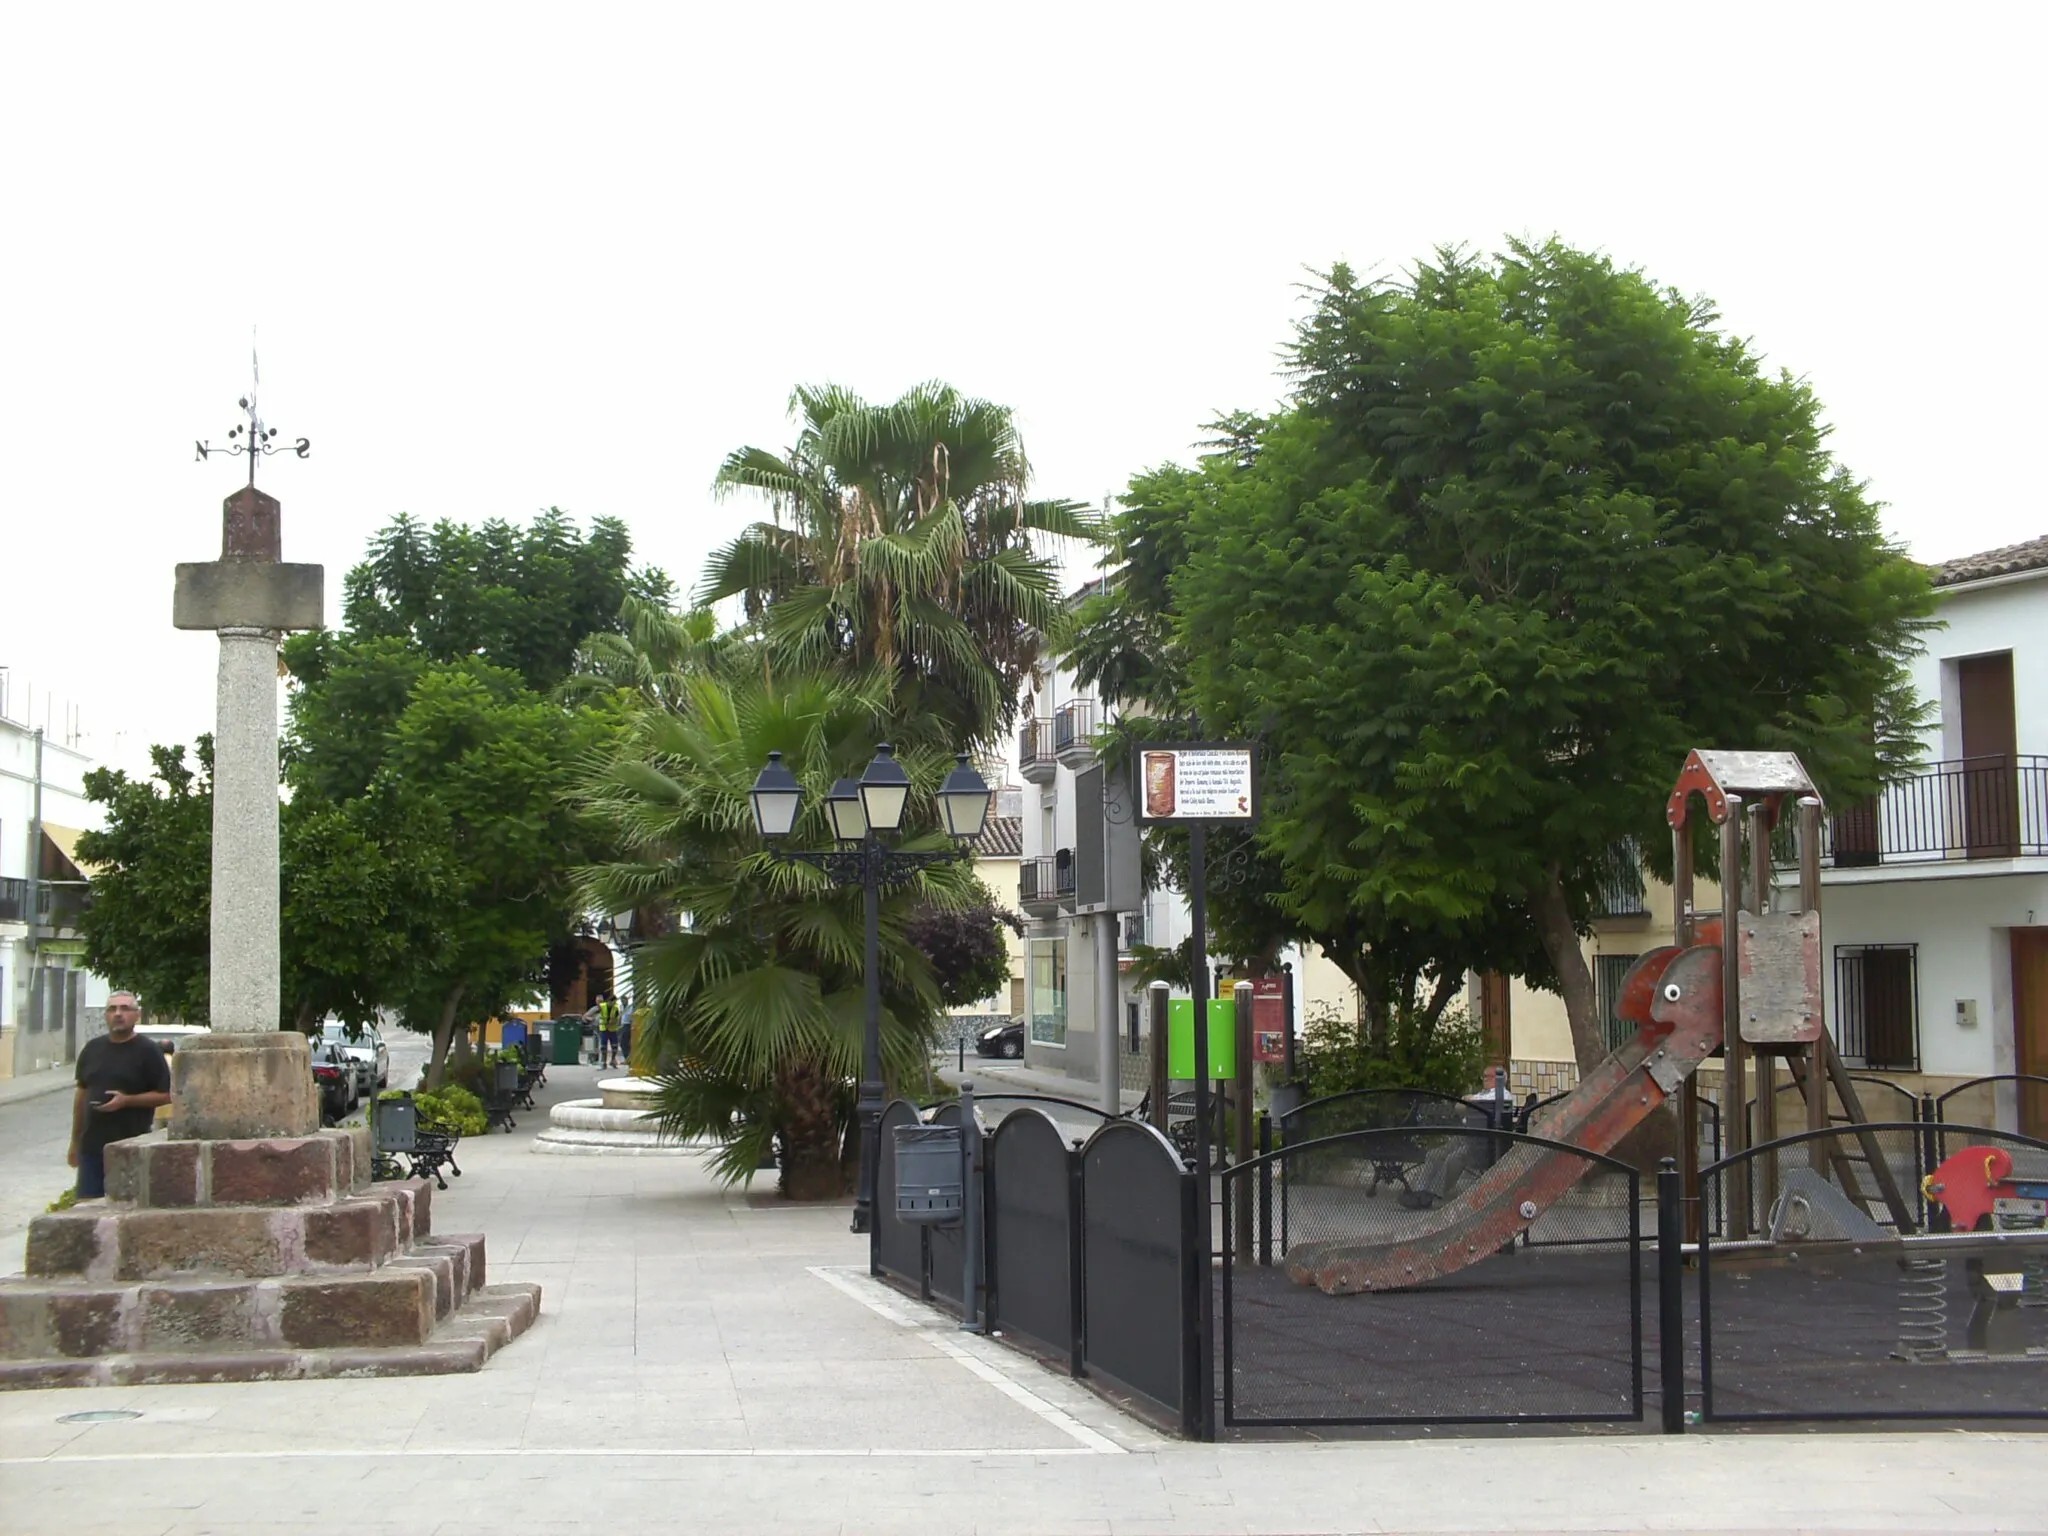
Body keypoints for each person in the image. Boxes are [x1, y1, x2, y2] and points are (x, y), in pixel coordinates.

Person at [69, 991, 172, 1198]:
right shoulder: (92, 1049)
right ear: (105, 1015)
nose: (118, 1014)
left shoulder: (148, 1051)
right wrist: (75, 1141)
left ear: (137, 1015)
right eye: (112, 1009)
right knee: (88, 1209)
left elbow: (166, 1095)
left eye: (125, 1008)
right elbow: (82, 1094)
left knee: (127, 1208)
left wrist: (127, 1101)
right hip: (93, 1148)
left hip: (130, 1147)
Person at [596, 993, 622, 1070]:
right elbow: (598, 1008)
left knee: (614, 1046)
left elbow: (618, 1016)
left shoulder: (616, 1007)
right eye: (614, 1001)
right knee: (603, 1046)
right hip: (604, 1029)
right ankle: (603, 1062)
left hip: (613, 1029)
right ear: (610, 1001)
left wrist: (617, 1023)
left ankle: (613, 1060)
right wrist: (598, 1001)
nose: (615, 1003)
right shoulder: (603, 1006)